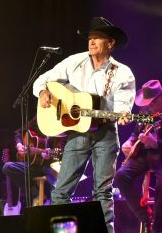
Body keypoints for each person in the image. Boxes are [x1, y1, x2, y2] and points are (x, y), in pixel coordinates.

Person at [33, 17, 136, 233]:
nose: (92, 41)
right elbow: (41, 79)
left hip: (106, 134)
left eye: (98, 37)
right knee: (61, 191)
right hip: (77, 133)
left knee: (103, 191)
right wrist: (43, 92)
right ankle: (60, 231)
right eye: (90, 37)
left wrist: (124, 113)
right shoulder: (74, 61)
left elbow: (123, 105)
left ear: (111, 43)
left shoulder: (123, 72)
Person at [115, 80, 162, 233]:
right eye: (148, 103)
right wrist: (128, 143)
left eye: (153, 102)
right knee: (121, 176)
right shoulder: (145, 112)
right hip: (144, 154)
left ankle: (157, 225)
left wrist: (155, 143)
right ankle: (145, 216)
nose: (150, 106)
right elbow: (135, 133)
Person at [2, 117, 65, 207]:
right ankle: (33, 190)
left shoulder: (60, 126)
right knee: (7, 167)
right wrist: (19, 145)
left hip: (49, 167)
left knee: (55, 181)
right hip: (32, 165)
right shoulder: (38, 119)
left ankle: (53, 206)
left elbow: (61, 152)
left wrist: (49, 156)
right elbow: (18, 132)